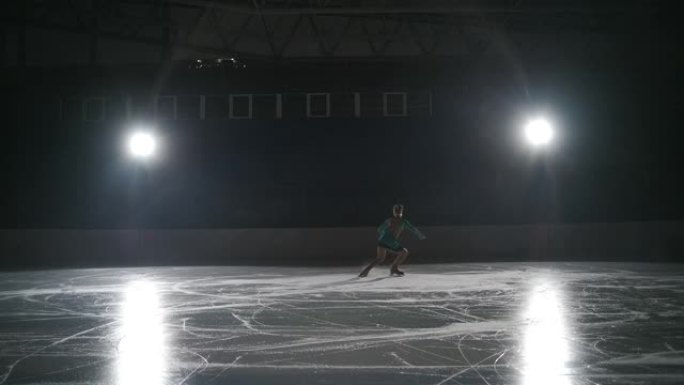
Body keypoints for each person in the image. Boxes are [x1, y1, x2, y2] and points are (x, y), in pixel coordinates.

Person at [359, 204, 426, 277]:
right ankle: (394, 268)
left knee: (380, 258)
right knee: (404, 252)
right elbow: (412, 228)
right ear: (401, 212)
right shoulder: (403, 221)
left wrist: (385, 234)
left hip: (382, 239)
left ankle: (365, 271)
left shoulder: (389, 220)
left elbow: (380, 229)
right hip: (390, 240)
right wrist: (420, 235)